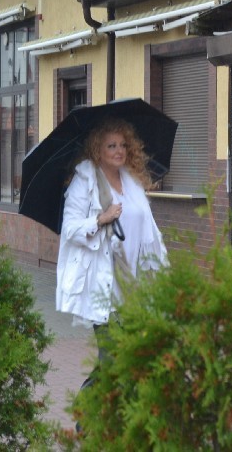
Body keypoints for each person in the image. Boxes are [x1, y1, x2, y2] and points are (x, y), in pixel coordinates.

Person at [56, 118, 168, 386]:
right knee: (112, 359)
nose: (119, 151)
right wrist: (100, 219)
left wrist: (160, 268)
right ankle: (90, 421)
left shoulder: (131, 181)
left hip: (134, 283)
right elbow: (69, 228)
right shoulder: (84, 181)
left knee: (127, 356)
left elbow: (149, 230)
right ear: (98, 150)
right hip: (103, 283)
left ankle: (93, 416)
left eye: (122, 145)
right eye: (111, 146)